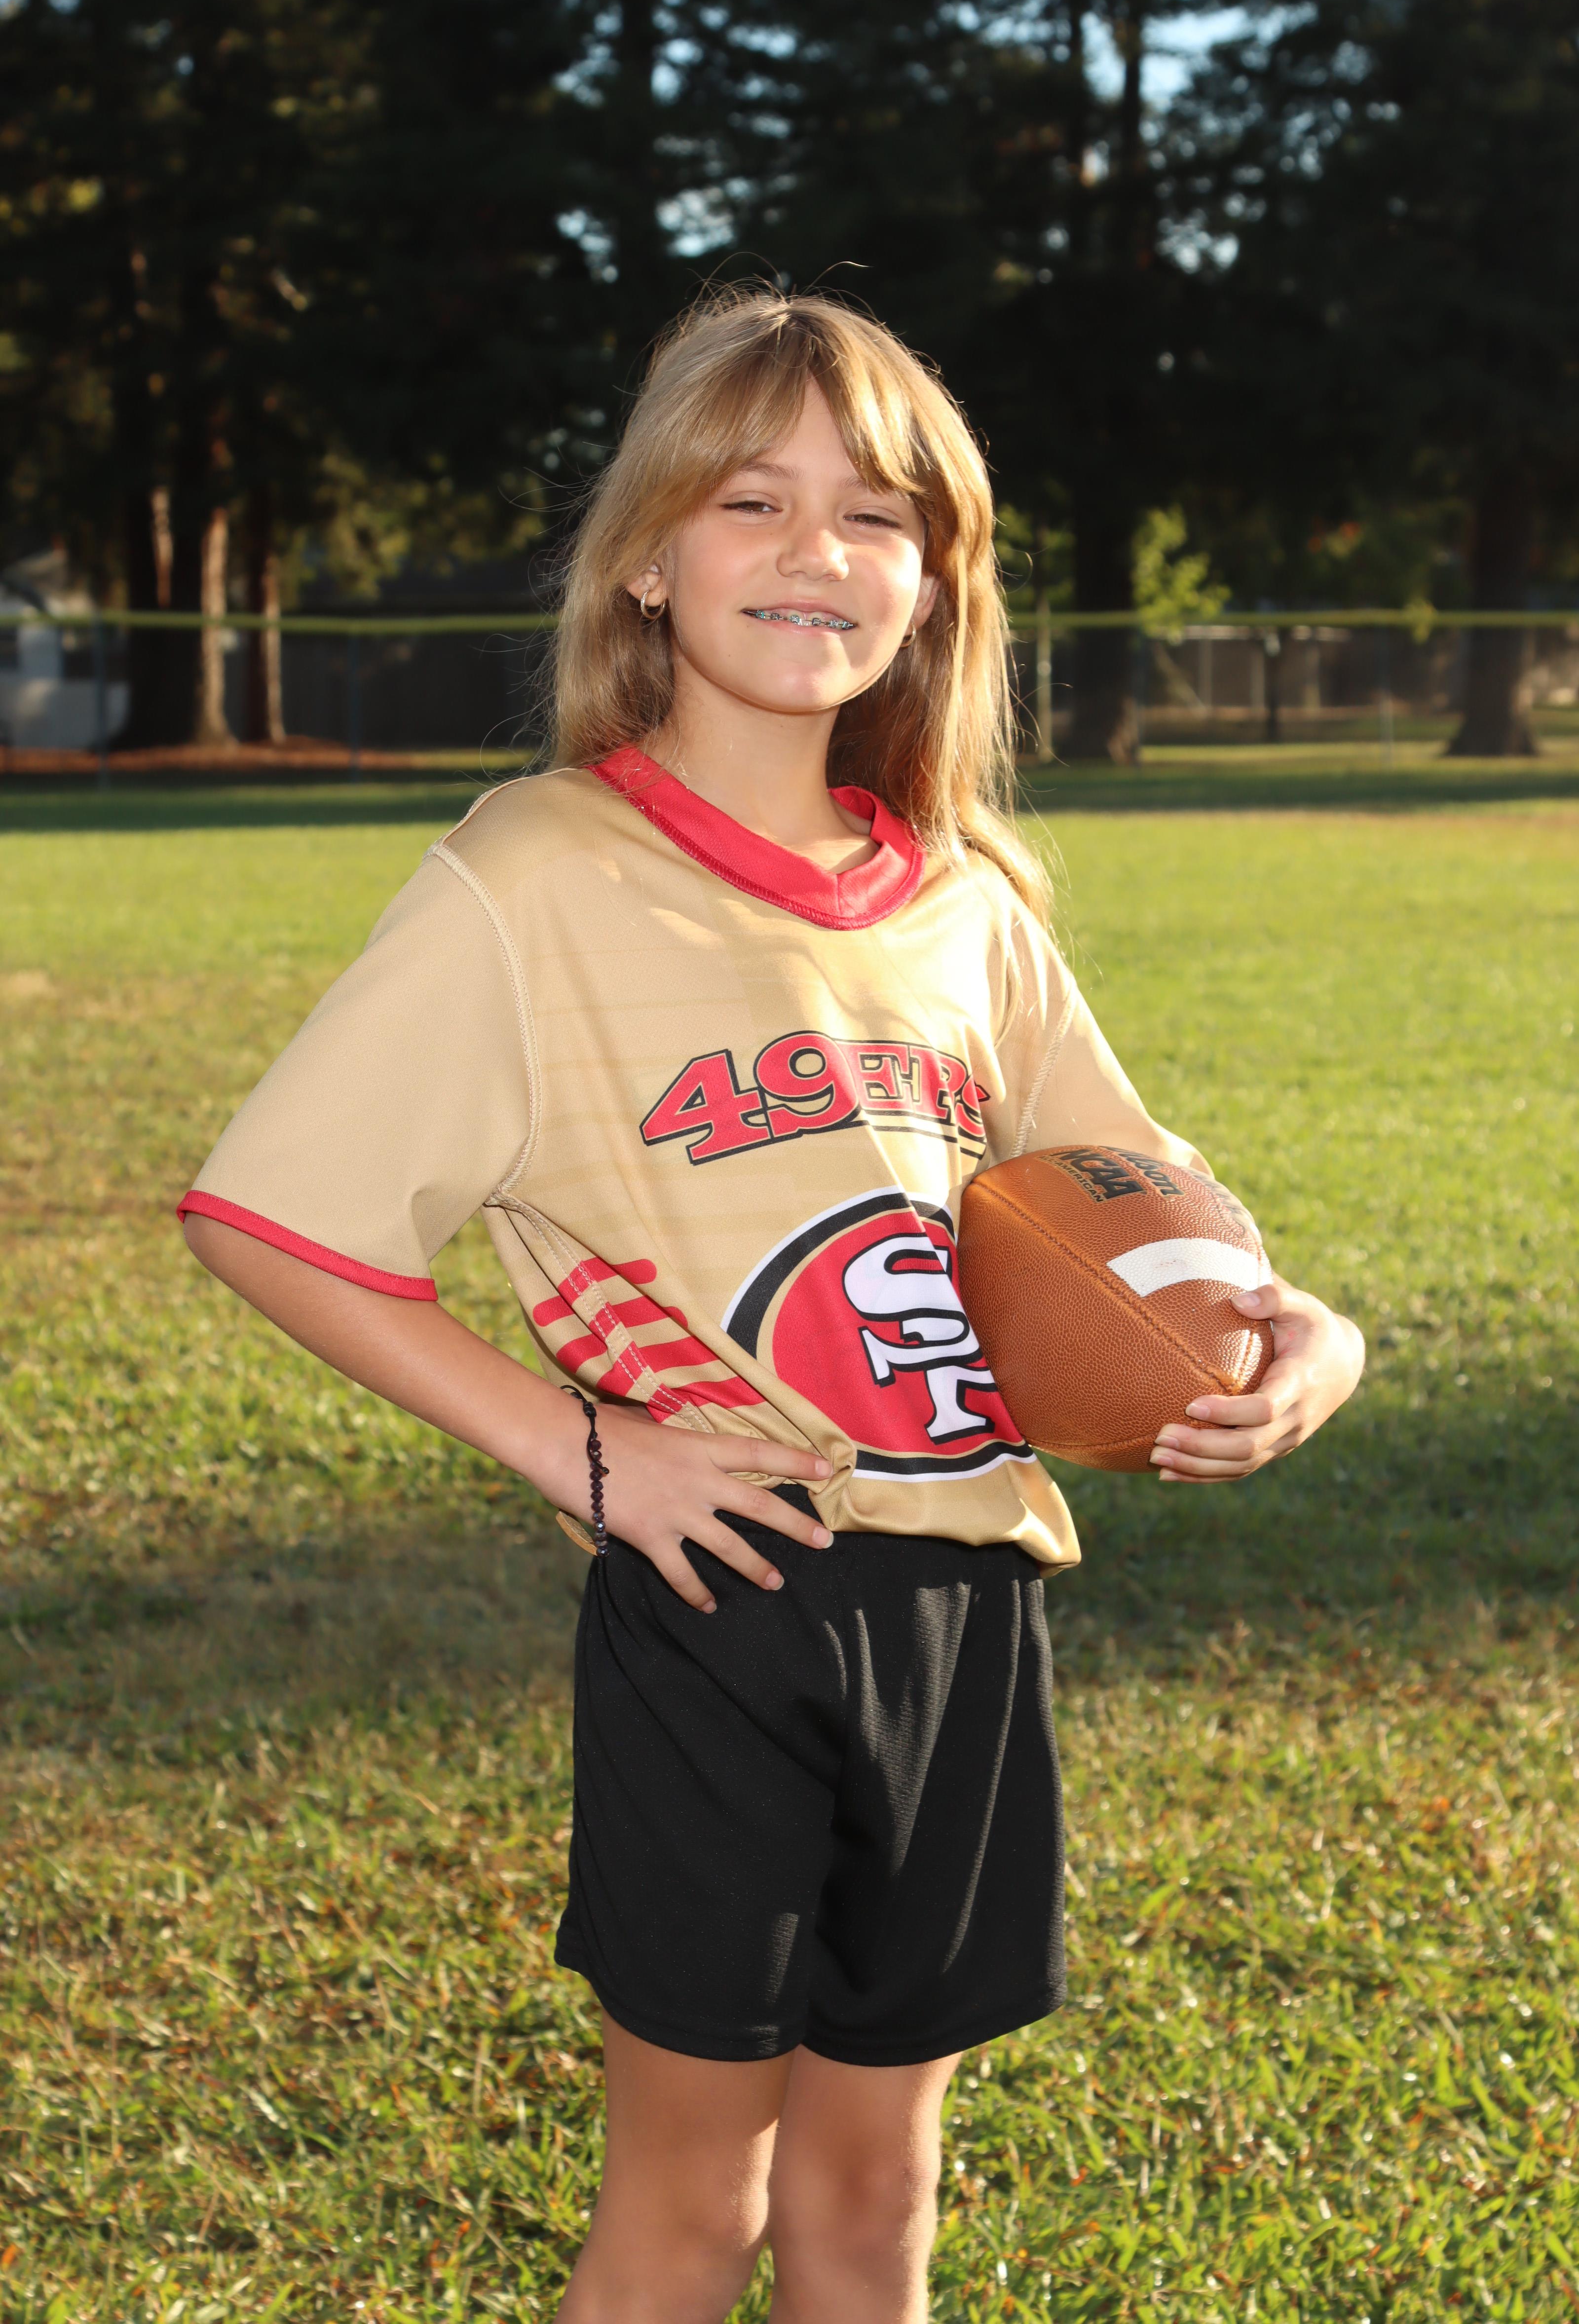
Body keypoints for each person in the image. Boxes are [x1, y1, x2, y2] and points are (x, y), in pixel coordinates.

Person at [181, 289, 1364, 2324]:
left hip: (968, 1604)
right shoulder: (536, 871)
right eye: (753, 501)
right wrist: (589, 1451)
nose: (818, 552)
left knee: (875, 2203)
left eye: (875, 517)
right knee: (687, 2213)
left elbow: (1149, 1215)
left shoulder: (967, 903)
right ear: (647, 552)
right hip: (724, 1588)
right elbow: (268, 1219)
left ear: (934, 585)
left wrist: (1306, 1336)